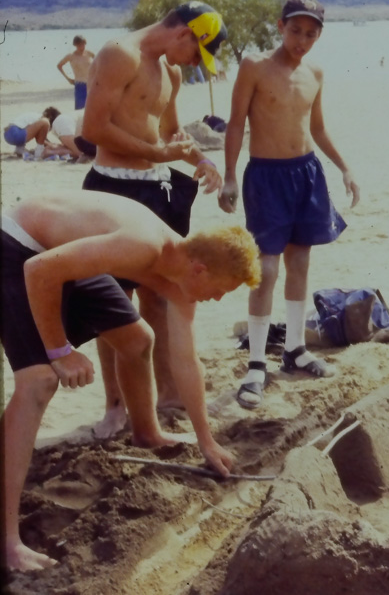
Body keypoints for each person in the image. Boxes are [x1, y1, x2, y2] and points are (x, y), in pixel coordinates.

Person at [2, 190, 260, 571]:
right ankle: (7, 541)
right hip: (17, 248)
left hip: (56, 256)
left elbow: (186, 362)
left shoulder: (180, 279)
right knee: (39, 382)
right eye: (223, 289)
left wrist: (207, 441)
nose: (220, 299)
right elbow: (39, 271)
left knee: (138, 340)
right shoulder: (143, 246)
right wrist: (60, 352)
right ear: (200, 269)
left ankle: (147, 432)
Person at [80, 0, 228, 436]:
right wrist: (157, 153)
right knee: (112, 300)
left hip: (157, 188)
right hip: (113, 184)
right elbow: (93, 129)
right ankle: (114, 406)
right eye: (195, 51)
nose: (193, 63)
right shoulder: (119, 54)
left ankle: (169, 397)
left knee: (161, 296)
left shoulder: (172, 72)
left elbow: (169, 135)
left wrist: (200, 158)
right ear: (184, 33)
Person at [219, 0, 359, 410]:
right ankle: (258, 364)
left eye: (311, 34)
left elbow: (316, 126)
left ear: (319, 36)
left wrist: (345, 167)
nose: (301, 40)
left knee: (300, 264)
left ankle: (295, 350)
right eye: (295, 31)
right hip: (266, 177)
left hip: (307, 174)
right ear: (280, 26)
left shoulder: (315, 71)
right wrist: (229, 175)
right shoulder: (255, 67)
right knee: (265, 269)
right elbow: (236, 123)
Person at [56, 35, 95, 110]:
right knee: (80, 110)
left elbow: (99, 63)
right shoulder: (71, 56)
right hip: (80, 85)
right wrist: (68, 79)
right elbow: (59, 65)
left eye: (83, 44)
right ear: (75, 45)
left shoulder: (89, 53)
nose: (82, 47)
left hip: (91, 84)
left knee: (92, 109)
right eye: (79, 45)